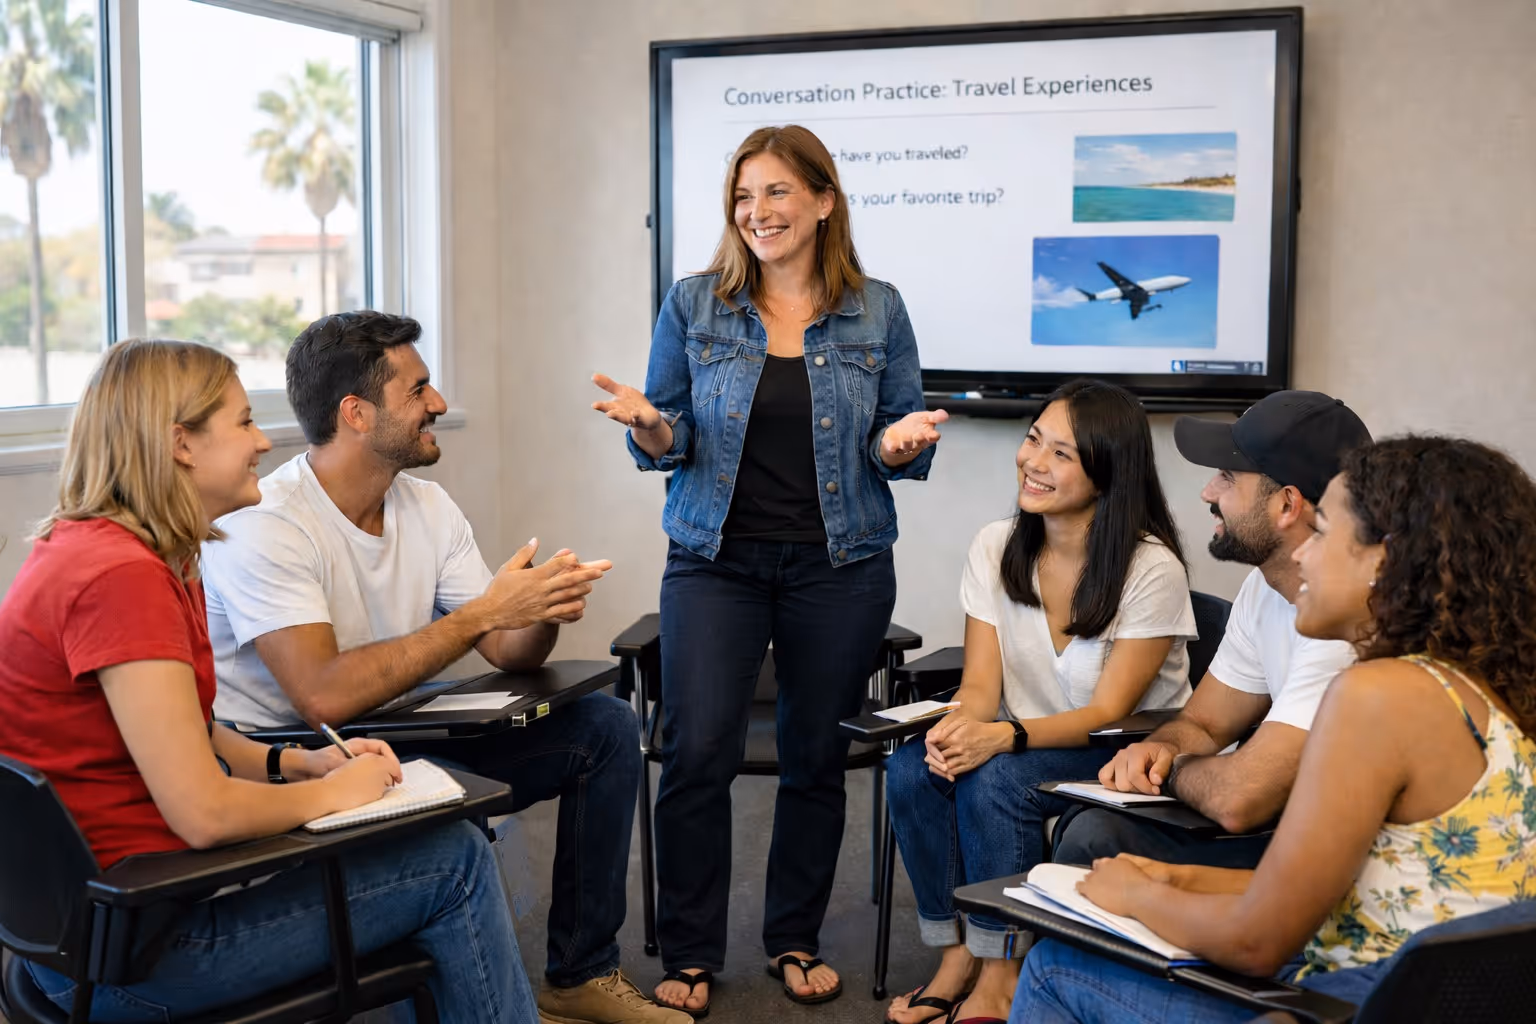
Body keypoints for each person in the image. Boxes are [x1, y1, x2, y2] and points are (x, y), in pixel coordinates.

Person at [0, 339, 537, 1023]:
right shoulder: (123, 580)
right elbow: (205, 814)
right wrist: (338, 793)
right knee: (453, 862)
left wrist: (299, 763)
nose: (263, 440)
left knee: (415, 852)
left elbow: (188, 726)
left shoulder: (104, 549)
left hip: (88, 932)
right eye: (244, 421)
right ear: (182, 444)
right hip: (140, 951)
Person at [200, 312, 684, 1024]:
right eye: (418, 388)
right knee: (443, 827)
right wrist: (484, 613)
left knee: (607, 728)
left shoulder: (424, 503)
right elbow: (322, 697)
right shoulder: (266, 521)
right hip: (295, 752)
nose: (438, 403)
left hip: (395, 725)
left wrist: (538, 605)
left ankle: (580, 975)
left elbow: (507, 652)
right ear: (356, 414)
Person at [591, 124, 946, 1015]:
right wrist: (648, 426)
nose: (758, 212)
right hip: (716, 561)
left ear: (824, 200)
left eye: (778, 192)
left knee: (813, 756)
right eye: (744, 197)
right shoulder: (694, 305)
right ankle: (693, 950)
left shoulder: (881, 309)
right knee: (698, 748)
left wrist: (898, 446)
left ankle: (794, 937)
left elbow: (896, 432)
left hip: (843, 562)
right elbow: (670, 436)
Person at [1010, 434, 1536, 1023]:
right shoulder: (1471, 687)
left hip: (1360, 999)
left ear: (1384, 560)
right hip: (1426, 993)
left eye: (1327, 532)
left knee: (1055, 967)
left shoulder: (1380, 697)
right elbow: (1348, 893)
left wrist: (1139, 896)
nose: (1305, 554)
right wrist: (1170, 876)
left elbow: (1258, 941)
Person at [883, 380, 1198, 1024]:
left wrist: (1004, 737)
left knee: (995, 780)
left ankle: (1003, 975)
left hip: (1123, 758)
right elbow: (979, 690)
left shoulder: (1150, 567)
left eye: (1063, 454)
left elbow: (1111, 712)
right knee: (914, 768)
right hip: (1029, 741)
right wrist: (957, 732)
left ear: (1109, 473)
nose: (1034, 462)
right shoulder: (997, 545)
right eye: (1034, 440)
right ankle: (958, 954)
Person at [1054, 391, 1368, 870]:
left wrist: (1175, 769)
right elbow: (1205, 724)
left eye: (1227, 477)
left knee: (1096, 838)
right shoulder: (1264, 586)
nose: (1207, 493)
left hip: (1339, 858)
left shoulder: (1346, 624)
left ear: (1287, 504)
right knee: (1092, 821)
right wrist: (1161, 747)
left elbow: (1241, 799)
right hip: (1294, 822)